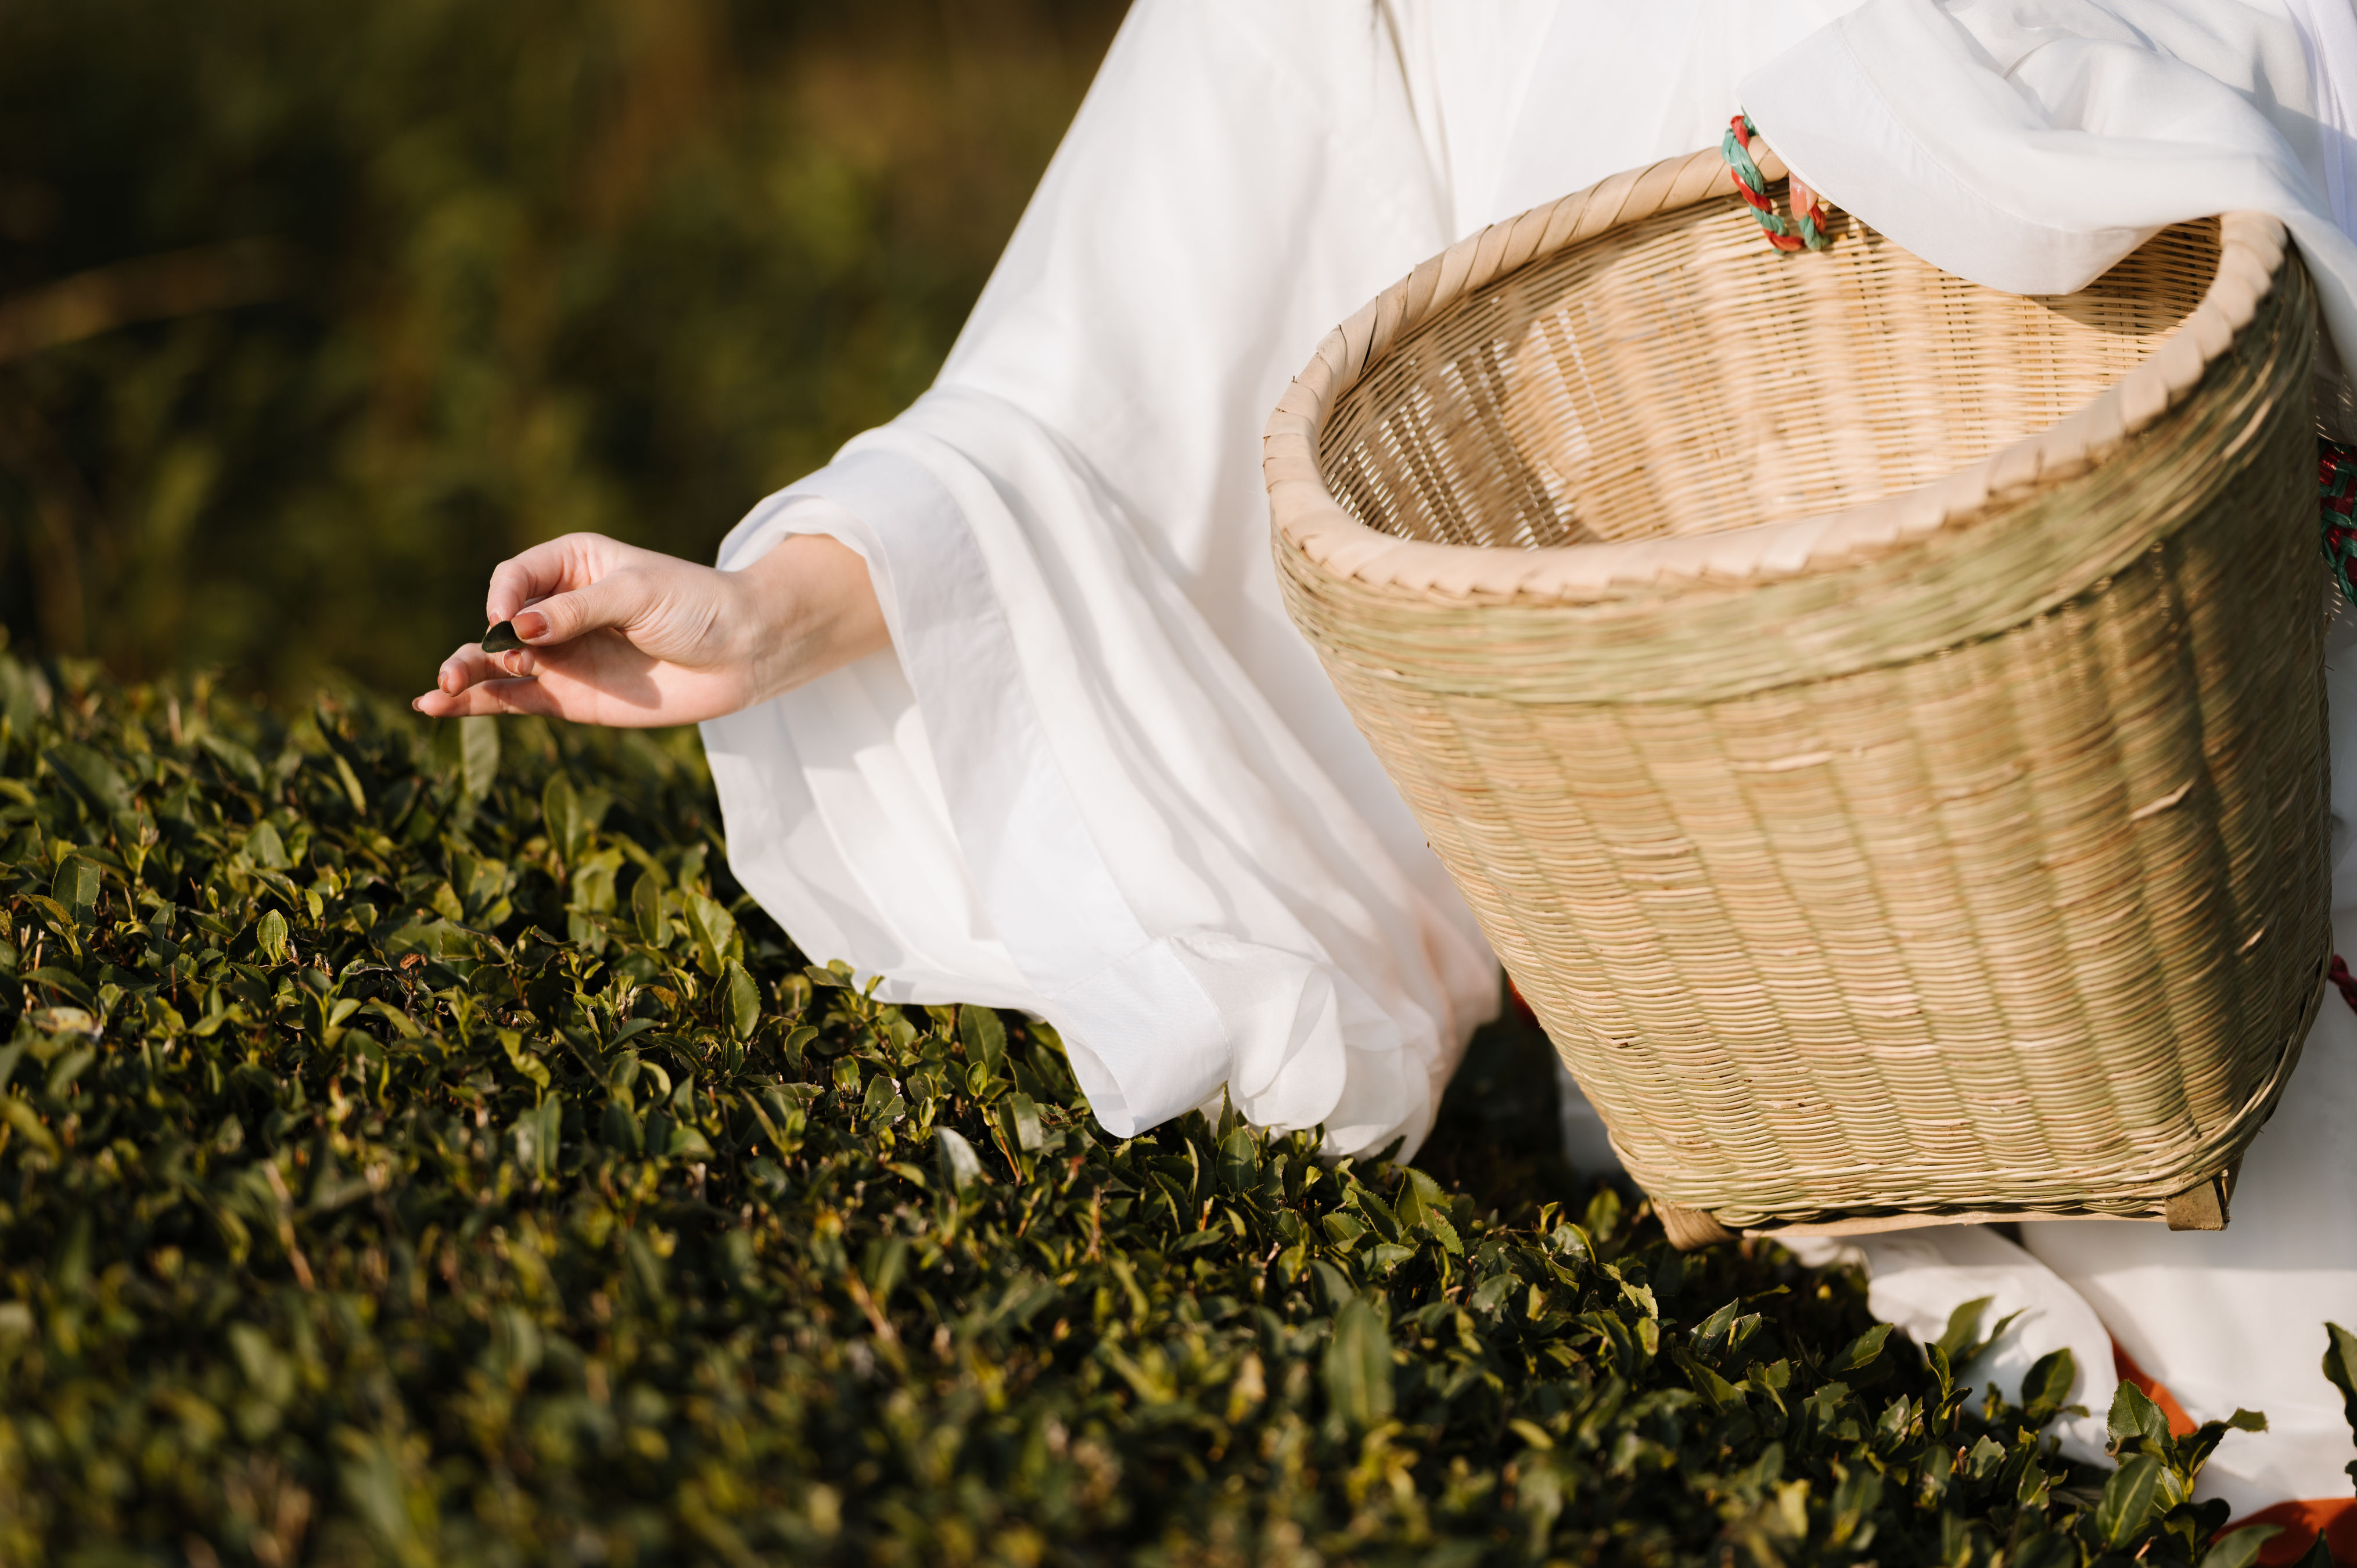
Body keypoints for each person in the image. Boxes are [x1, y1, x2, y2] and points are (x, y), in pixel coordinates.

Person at [415, 0, 2357, 1524]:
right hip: (1786, 1046)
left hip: (2197, 870)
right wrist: (777, 609)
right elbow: (1108, 381)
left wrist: (1949, 114)